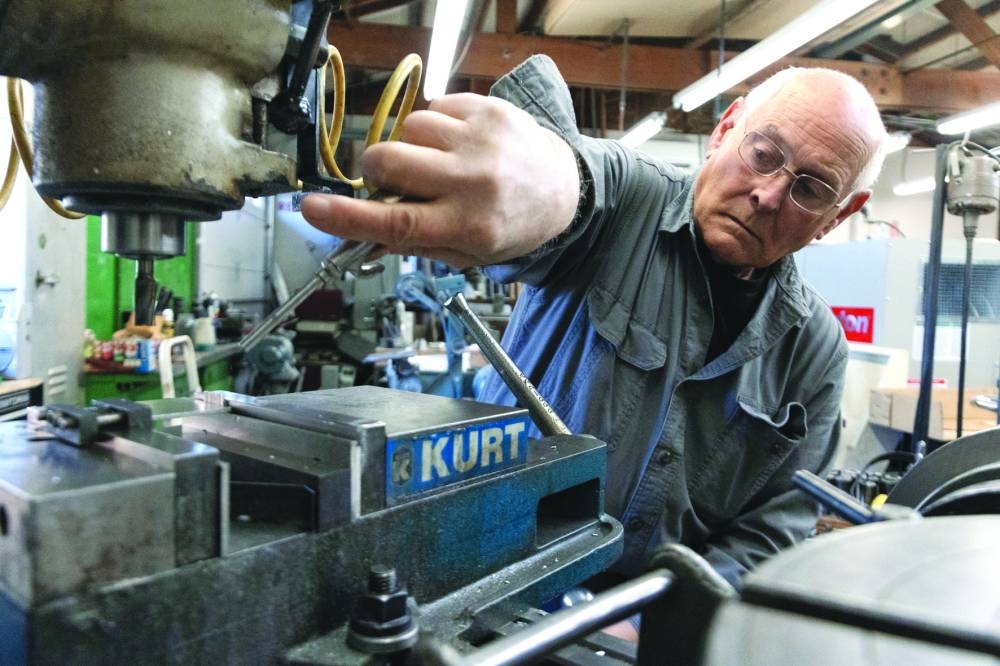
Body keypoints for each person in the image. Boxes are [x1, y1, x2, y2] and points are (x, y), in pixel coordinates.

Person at [301, 54, 887, 608]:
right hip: (488, 573)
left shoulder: (813, 350)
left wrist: (666, 616)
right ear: (726, 129)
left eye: (810, 189)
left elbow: (776, 524)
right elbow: (578, 186)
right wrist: (546, 186)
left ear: (838, 215)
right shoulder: (632, 199)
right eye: (763, 153)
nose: (768, 194)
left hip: (651, 621)